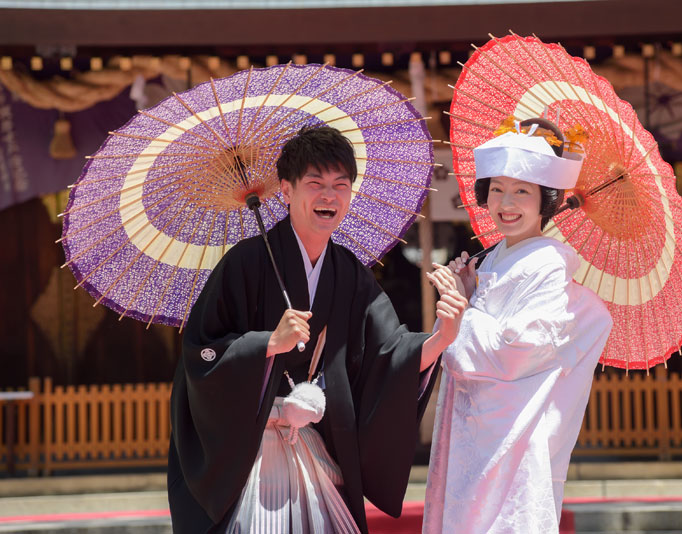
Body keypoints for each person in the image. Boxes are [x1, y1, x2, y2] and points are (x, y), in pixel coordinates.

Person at [167, 125, 467, 533]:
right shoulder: (245, 262)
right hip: (251, 455)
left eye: (340, 185)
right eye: (315, 184)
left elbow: (389, 353)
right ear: (286, 191)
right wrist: (268, 344)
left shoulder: (349, 274)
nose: (329, 196)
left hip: (313, 445)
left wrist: (441, 338)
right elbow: (200, 353)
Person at [422, 118, 613, 533]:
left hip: (511, 435)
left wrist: (462, 308)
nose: (506, 203)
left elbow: (514, 352)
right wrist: (470, 293)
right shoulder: (494, 258)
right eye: (497, 190)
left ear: (546, 200)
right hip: (476, 429)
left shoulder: (546, 263)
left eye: (521, 191)